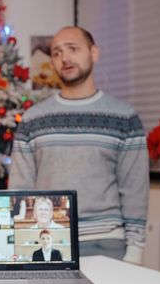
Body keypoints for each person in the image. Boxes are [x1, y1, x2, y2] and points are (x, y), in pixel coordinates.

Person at [9, 26, 149, 265]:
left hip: (107, 244)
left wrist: (135, 250)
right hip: (48, 242)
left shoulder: (124, 117)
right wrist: (21, 244)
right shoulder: (33, 120)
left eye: (73, 49)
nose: (65, 58)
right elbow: (20, 189)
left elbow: (135, 188)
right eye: (56, 53)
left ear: (94, 53)